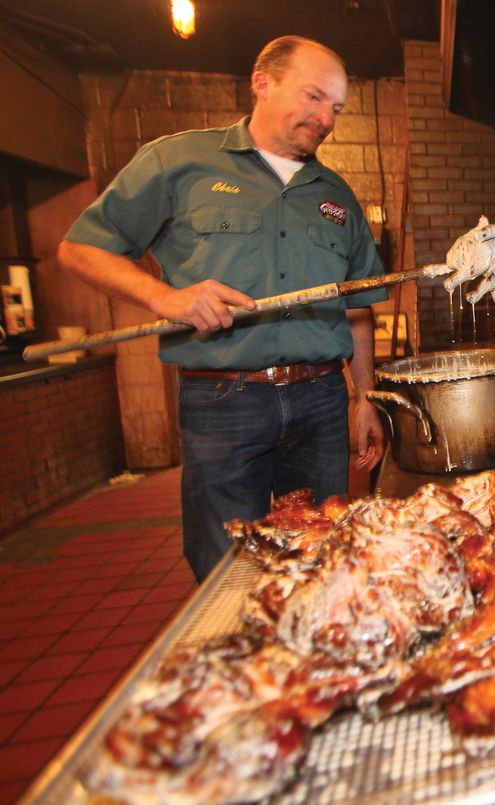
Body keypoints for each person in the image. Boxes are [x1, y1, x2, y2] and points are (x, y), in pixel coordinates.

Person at [58, 36, 386, 581]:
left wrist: (364, 398)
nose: (325, 117)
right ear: (263, 83)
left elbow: (357, 308)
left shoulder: (336, 195)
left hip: (322, 398)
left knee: (328, 556)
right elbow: (81, 248)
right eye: (313, 97)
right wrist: (166, 297)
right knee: (229, 566)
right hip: (224, 398)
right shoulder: (178, 160)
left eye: (336, 108)